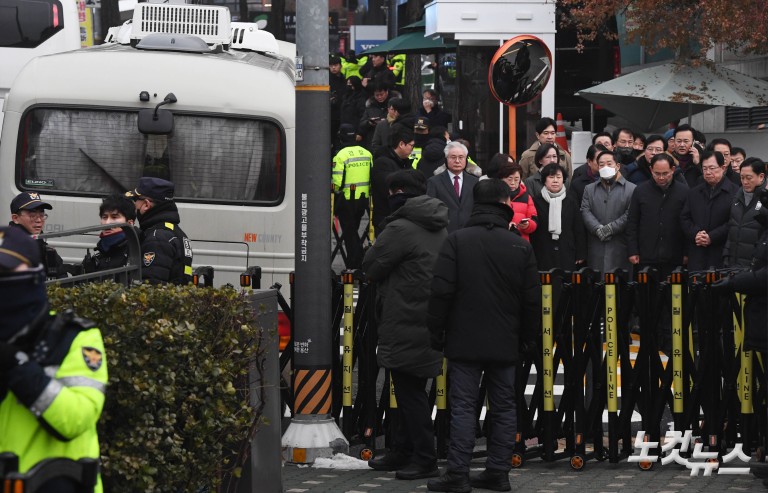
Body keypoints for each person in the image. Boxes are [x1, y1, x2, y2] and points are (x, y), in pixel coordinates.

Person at [427, 179, 540, 493]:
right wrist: (529, 338)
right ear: (505, 203)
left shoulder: (457, 241)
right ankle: (498, 472)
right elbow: (532, 299)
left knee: (463, 406)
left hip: (464, 339)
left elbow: (441, 292)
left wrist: (436, 330)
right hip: (507, 340)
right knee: (504, 407)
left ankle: (458, 474)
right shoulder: (519, 245)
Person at [0, 226, 108, 493]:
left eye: (5, 271)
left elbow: (75, 419)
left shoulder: (75, 338)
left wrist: (17, 365)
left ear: (36, 276)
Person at [362, 169, 448, 481]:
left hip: (404, 317)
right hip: (428, 318)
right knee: (408, 388)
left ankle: (424, 457)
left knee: (408, 391)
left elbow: (371, 264)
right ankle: (401, 448)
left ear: (399, 193)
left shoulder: (400, 227)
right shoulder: (438, 225)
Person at [626, 153, 688, 278]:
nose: (661, 178)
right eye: (657, 173)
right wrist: (633, 251)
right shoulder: (640, 191)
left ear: (673, 170)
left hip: (675, 256)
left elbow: (687, 224)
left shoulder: (684, 191)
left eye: (665, 173)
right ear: (651, 170)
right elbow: (632, 222)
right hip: (646, 255)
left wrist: (686, 253)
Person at [680, 150, 739, 272]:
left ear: (723, 168)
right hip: (697, 251)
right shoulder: (694, 192)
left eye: (712, 168)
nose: (708, 172)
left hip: (721, 253)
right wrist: (696, 234)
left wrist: (712, 236)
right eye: (704, 168)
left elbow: (734, 221)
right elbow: (685, 218)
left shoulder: (735, 192)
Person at [126, 177, 193, 284]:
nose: (135, 205)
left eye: (136, 200)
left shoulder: (157, 238)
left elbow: (151, 288)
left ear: (146, 205)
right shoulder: (175, 232)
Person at [581, 150, 636, 274]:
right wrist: (597, 228)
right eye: (601, 164)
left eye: (609, 164)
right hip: (596, 246)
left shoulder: (632, 189)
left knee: (619, 285)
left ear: (617, 166)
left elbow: (630, 214)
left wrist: (611, 228)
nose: (605, 167)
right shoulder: (589, 189)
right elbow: (585, 210)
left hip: (620, 246)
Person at [531, 163, 587, 271]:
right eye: (551, 177)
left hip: (566, 251)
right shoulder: (536, 201)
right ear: (544, 180)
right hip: (543, 252)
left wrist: (581, 253)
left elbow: (578, 228)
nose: (555, 180)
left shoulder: (571, 201)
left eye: (558, 177)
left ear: (563, 180)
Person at [332, 124, 374, 270]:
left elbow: (337, 181)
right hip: (363, 199)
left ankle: (357, 262)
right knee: (353, 231)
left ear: (341, 137)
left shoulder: (341, 156)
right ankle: (353, 262)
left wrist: (335, 193)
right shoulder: (366, 153)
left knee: (349, 233)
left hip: (347, 199)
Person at [370, 125, 416, 235]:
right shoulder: (382, 163)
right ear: (401, 144)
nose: (412, 149)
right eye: (411, 146)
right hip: (386, 219)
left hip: (403, 218)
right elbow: (389, 188)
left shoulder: (405, 162)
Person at [8, 192, 65, 278]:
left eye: (42, 215)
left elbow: (61, 275)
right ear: (15, 218)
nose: (39, 220)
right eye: (32, 215)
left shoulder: (40, 243)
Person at [426, 141, 479, 233]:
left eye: (461, 157)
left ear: (466, 159)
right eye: (453, 157)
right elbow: (430, 209)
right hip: (444, 233)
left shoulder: (474, 182)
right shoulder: (434, 182)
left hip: (469, 232)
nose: (457, 161)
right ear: (446, 159)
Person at [723, 157, 768, 267]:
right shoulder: (736, 196)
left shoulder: (766, 201)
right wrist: (726, 255)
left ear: (761, 177)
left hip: (757, 267)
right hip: (733, 264)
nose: (745, 182)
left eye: (749, 178)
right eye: (742, 178)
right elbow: (732, 227)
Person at [82, 194, 138, 274]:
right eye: (104, 217)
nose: (108, 223)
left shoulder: (138, 250)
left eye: (114, 217)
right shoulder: (99, 254)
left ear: (130, 223)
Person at [498, 163, 537, 242]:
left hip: (520, 242)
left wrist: (527, 225)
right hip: (499, 240)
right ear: (501, 179)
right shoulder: (495, 196)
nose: (513, 183)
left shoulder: (526, 197)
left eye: (516, 179)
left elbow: (534, 221)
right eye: (509, 179)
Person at [672, 124, 703, 188]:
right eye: (679, 141)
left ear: (693, 142)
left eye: (686, 141)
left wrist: (697, 164)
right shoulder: (668, 160)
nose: (682, 144)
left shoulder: (703, 160)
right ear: (674, 142)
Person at [329, 55, 347, 147]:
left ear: (340, 66)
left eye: (335, 65)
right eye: (331, 65)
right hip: (331, 115)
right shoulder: (327, 79)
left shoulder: (344, 79)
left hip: (342, 113)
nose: (333, 67)